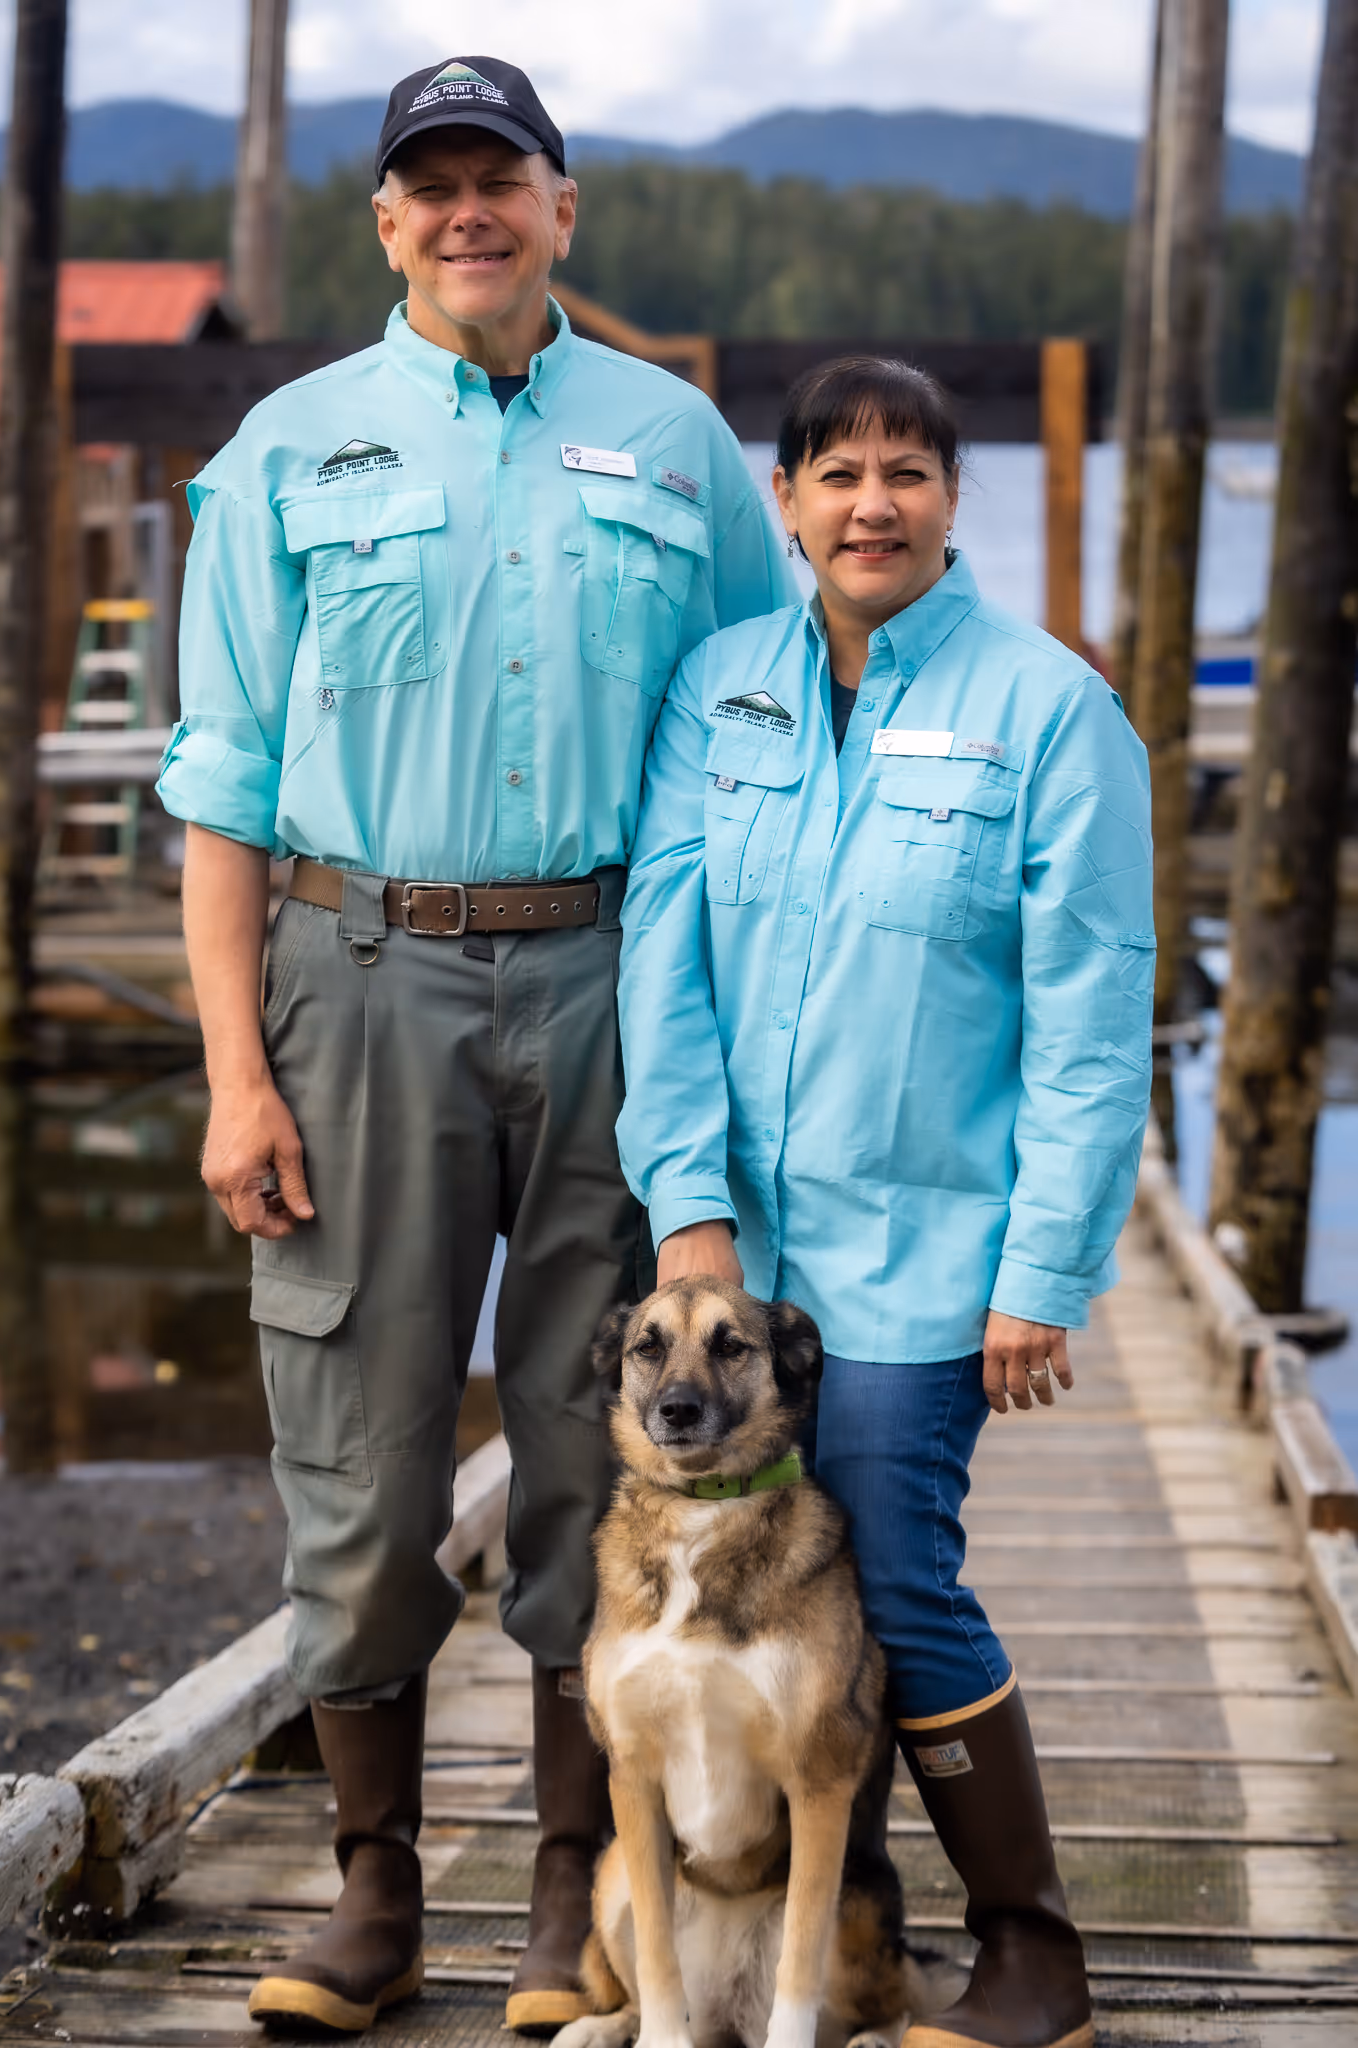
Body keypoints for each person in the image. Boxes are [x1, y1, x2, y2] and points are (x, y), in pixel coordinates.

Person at [157, 54, 794, 2038]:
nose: (465, 214)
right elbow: (223, 783)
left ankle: (558, 1895)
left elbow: (768, 741)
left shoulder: (680, 445)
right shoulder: (288, 448)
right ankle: (370, 1900)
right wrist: (236, 1072)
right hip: (356, 981)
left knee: (599, 1446)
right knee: (355, 1443)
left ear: (561, 207)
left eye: (497, 178)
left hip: (620, 978)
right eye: (427, 186)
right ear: (385, 223)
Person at [614, 356, 1155, 2048]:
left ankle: (1032, 1953)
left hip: (927, 1261)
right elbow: (665, 959)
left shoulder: (1050, 709)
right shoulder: (721, 691)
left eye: (907, 472)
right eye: (837, 472)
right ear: (784, 502)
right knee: (683, 1576)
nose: (871, 504)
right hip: (737, 1261)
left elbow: (1090, 1010)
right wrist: (685, 1203)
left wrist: (1043, 1272)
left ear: (948, 499)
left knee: (897, 1581)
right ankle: (706, 1934)